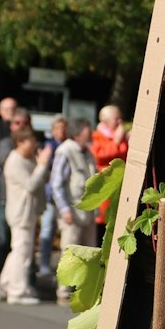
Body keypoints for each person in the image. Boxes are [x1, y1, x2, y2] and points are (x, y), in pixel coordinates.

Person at [0, 128, 53, 304]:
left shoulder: (27, 159)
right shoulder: (14, 161)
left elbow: (45, 178)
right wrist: (41, 164)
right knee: (22, 252)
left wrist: (41, 164)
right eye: (31, 142)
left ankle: (3, 286)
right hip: (20, 212)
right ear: (20, 142)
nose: (34, 145)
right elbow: (31, 184)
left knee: (19, 250)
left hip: (28, 211)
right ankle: (16, 292)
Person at [48, 117, 98, 305]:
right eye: (87, 131)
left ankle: (83, 288)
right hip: (72, 210)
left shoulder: (87, 152)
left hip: (88, 211)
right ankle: (63, 288)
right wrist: (64, 209)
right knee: (70, 250)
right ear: (77, 134)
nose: (90, 134)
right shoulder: (65, 151)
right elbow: (56, 184)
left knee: (89, 251)